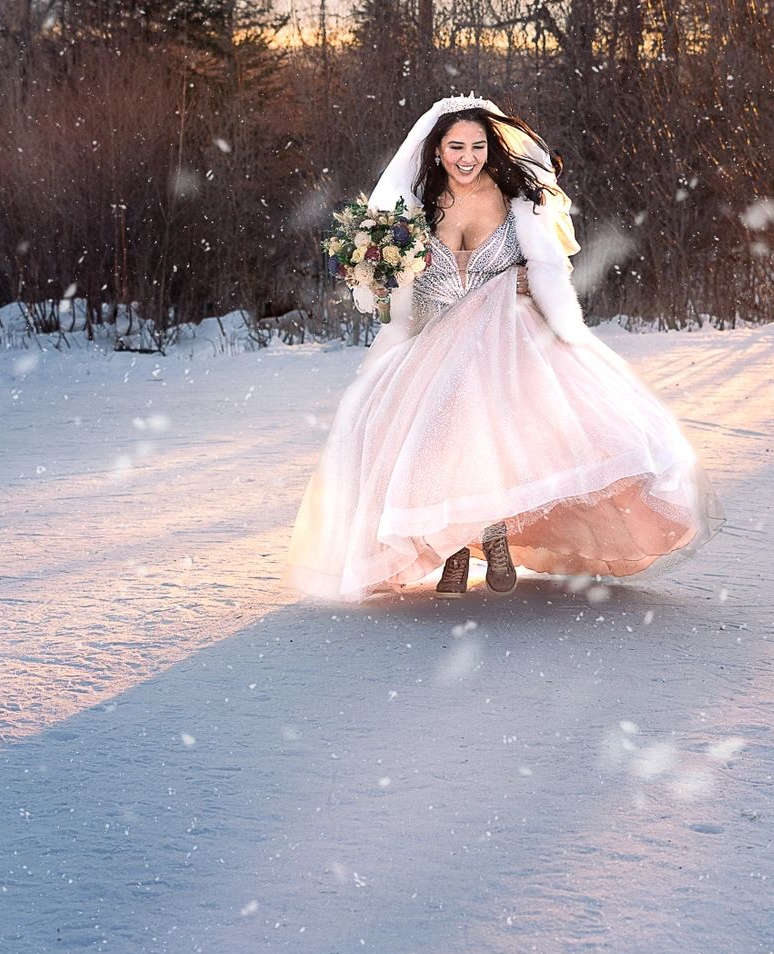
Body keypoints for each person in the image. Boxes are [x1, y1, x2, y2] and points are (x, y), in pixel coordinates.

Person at [289, 95, 719, 599]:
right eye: (456, 146)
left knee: (497, 436)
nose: (467, 157)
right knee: (429, 440)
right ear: (437, 151)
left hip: (506, 336)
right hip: (435, 338)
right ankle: (454, 547)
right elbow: (398, 296)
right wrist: (377, 279)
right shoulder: (413, 213)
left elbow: (547, 270)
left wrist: (546, 309)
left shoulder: (521, 203)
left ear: (490, 149)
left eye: (477, 145)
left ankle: (492, 534)